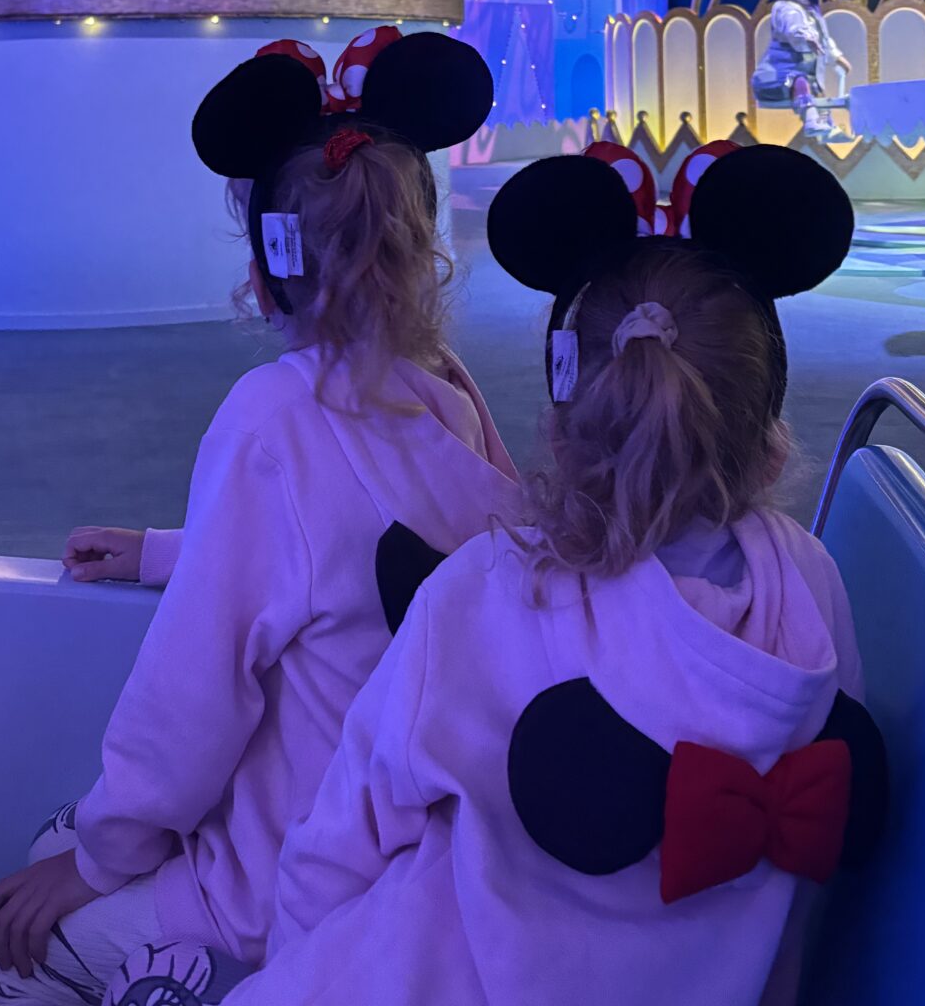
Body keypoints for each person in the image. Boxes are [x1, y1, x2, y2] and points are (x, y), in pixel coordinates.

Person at [225, 144, 882, 1006]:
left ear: (563, 428)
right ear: (768, 442)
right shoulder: (810, 584)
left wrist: (287, 964)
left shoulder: (487, 589)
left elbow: (344, 836)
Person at [0, 27, 519, 1003]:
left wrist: (98, 862)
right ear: (423, 253)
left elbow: (192, 698)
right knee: (60, 845)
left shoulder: (276, 416)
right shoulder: (450, 394)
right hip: (415, 849)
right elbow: (353, 560)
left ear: (265, 268)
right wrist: (171, 552)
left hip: (285, 876)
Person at [749, 0, 853, 141]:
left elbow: (824, 39)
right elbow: (793, 30)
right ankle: (812, 121)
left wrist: (836, 56)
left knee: (815, 88)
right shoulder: (785, 8)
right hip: (777, 76)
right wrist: (806, 38)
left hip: (803, 74)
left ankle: (826, 126)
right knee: (801, 82)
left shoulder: (810, 11)